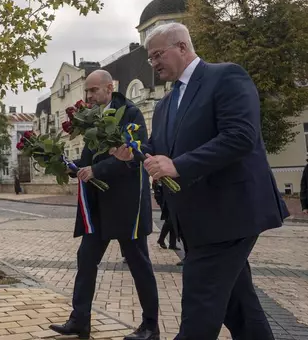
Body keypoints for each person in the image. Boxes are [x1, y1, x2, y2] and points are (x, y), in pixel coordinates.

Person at [110, 23, 288, 339]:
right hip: (194, 219)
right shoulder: (165, 104)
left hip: (229, 214)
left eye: (157, 55)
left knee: (199, 309)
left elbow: (240, 136)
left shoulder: (226, 77)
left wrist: (178, 165)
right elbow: (159, 149)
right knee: (240, 308)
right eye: (150, 58)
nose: (153, 63)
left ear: (181, 47)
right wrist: (133, 154)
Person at [49, 70, 160, 340]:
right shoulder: (91, 119)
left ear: (110, 88)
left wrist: (98, 170)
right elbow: (88, 158)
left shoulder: (130, 113)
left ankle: (150, 326)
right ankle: (79, 320)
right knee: (85, 259)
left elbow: (136, 154)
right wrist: (68, 166)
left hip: (126, 204)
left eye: (94, 91)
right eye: (87, 91)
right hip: (98, 205)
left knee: (138, 264)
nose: (88, 96)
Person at [153, 180, 179, 251]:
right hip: (166, 202)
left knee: (174, 221)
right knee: (170, 221)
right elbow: (158, 193)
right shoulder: (159, 179)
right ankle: (161, 239)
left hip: (172, 200)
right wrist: (160, 203)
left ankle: (172, 244)